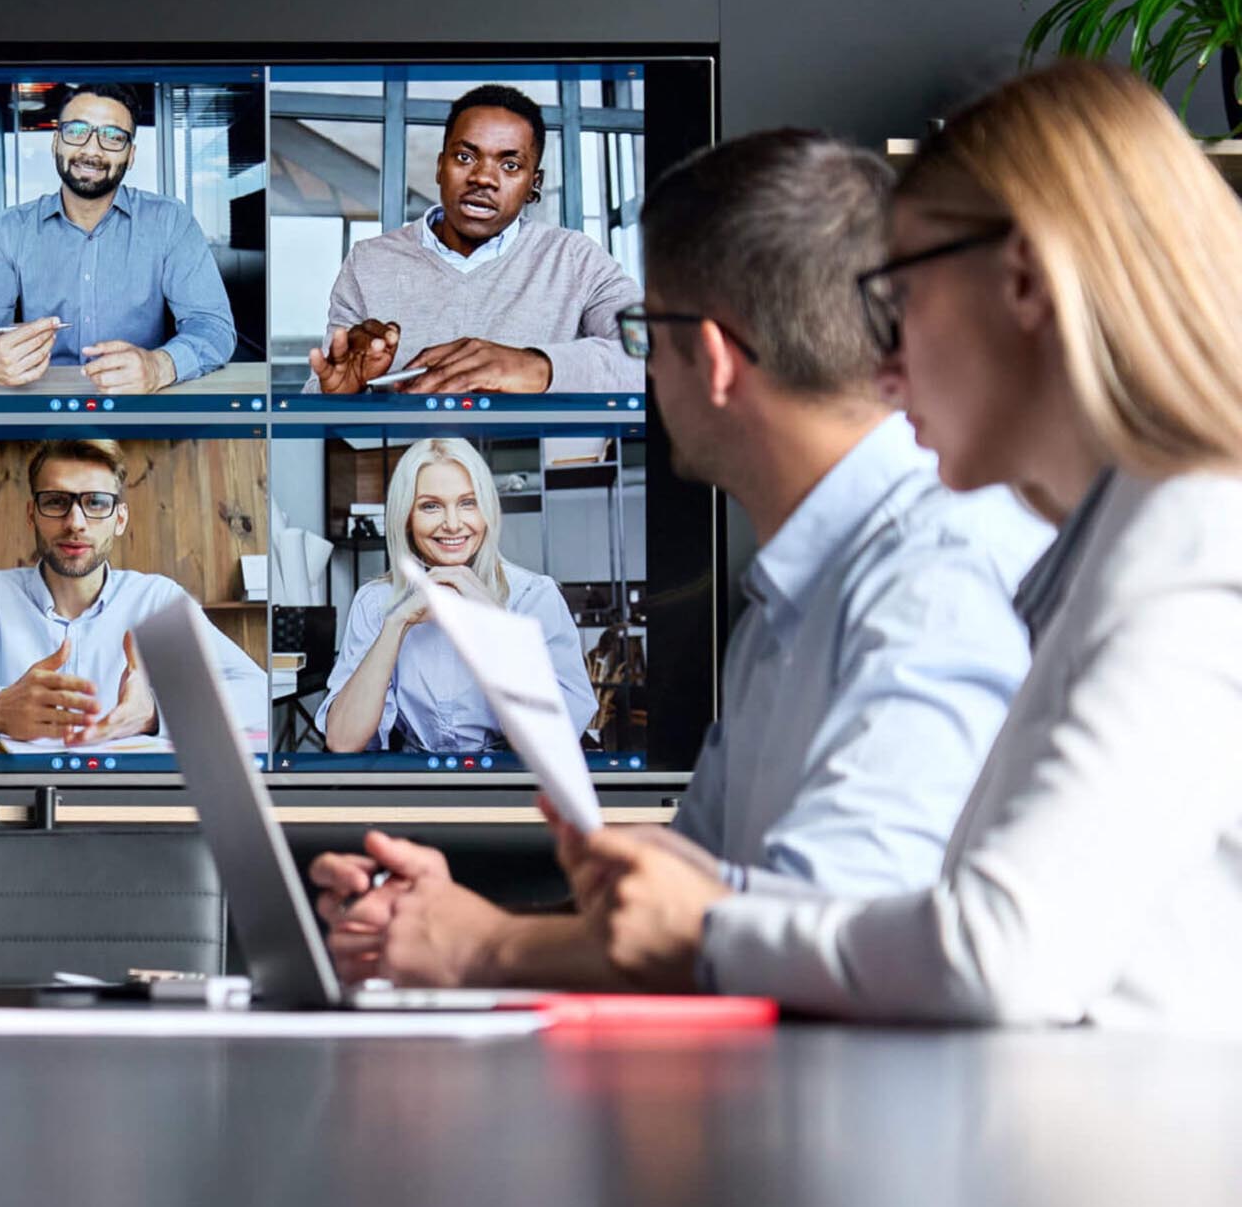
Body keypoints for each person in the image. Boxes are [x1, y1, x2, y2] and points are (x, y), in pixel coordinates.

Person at [558, 62, 1242, 1031]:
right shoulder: (1120, 544)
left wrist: (708, 924)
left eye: (900, 292)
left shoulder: (1192, 550)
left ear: (1021, 283)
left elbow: (1000, 952)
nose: (881, 358)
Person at [310, 128, 1050, 990]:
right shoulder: (795, 594)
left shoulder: (934, 578)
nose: (642, 366)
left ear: (714, 359)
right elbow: (702, 894)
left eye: (645, 332)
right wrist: (442, 921)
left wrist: (480, 949)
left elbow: (836, 937)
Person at [0, 439, 265, 744]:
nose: (75, 523)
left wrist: (153, 713)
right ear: (32, 514)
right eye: (56, 502)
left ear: (119, 519)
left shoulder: (158, 600)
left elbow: (257, 693)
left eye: (96, 503)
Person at [305, 84, 641, 396]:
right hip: (407, 461)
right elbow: (322, 393)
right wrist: (341, 395)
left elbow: (660, 355)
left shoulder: (576, 259)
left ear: (533, 185)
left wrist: (537, 366)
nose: (482, 178)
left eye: (510, 165)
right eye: (465, 157)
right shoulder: (369, 262)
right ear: (440, 167)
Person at [0, 83, 236, 393]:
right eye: (77, 131)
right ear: (56, 143)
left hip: (140, 408)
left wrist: (160, 366)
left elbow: (213, 327)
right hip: (41, 413)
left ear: (131, 156)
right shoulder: (11, 229)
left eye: (113, 137)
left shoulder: (170, 221)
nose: (92, 150)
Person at [315, 437, 598, 755]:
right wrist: (396, 624)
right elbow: (342, 741)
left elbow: (547, 743)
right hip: (418, 784)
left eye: (468, 502)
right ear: (406, 518)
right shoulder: (374, 602)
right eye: (430, 506)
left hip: (512, 781)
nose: (452, 524)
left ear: (486, 510)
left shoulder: (535, 597)